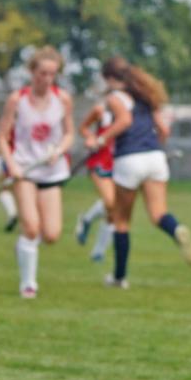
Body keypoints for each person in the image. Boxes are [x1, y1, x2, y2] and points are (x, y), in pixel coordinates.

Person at [93, 56, 191, 288]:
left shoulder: (115, 98)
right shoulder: (146, 96)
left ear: (109, 78)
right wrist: (155, 146)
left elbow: (124, 121)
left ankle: (119, 278)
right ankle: (176, 229)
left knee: (121, 221)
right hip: (155, 157)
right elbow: (163, 129)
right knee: (159, 213)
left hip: (129, 159)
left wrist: (100, 139)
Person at [0, 46, 74, 299]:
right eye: (42, 73)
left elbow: (69, 133)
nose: (47, 79)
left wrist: (59, 150)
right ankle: (28, 284)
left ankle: (24, 248)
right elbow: (2, 136)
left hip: (51, 170)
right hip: (25, 169)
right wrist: (12, 166)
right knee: (31, 226)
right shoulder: (17, 99)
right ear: (32, 72)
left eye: (52, 74)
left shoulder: (62, 99)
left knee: (51, 234)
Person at [75, 96, 116, 261]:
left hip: (119, 162)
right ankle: (87, 220)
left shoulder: (131, 111)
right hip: (100, 161)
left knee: (114, 211)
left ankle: (98, 251)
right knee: (111, 202)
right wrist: (91, 138)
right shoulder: (101, 109)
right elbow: (83, 128)